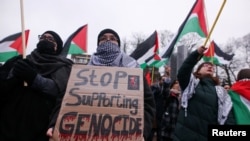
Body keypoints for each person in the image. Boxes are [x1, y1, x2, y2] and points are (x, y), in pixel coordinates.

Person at [46, 28, 156, 140]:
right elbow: (65, 100)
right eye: (103, 39)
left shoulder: (133, 71)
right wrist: (55, 124)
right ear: (98, 44)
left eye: (112, 38)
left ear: (118, 44)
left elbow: (148, 104)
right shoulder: (82, 74)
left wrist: (142, 132)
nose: (108, 40)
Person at [0, 31, 73, 141]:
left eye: (50, 39)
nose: (45, 39)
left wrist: (34, 78)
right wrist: (14, 75)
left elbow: (60, 92)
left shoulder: (63, 66)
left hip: (40, 127)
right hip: (8, 123)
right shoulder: (21, 59)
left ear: (57, 47)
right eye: (42, 37)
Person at [172, 46, 235, 141]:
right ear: (198, 71)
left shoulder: (222, 93)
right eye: (205, 65)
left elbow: (228, 118)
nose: (210, 66)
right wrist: (196, 54)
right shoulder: (191, 84)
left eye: (212, 67)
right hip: (184, 136)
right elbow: (183, 72)